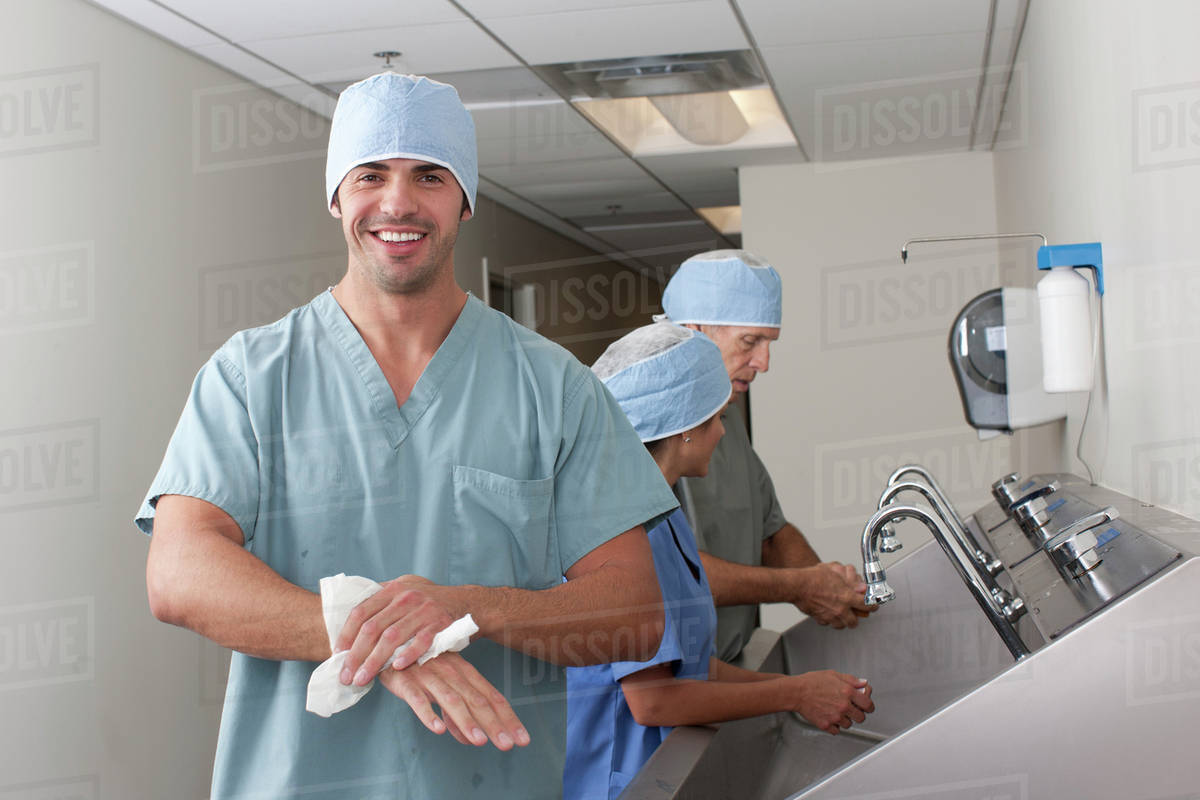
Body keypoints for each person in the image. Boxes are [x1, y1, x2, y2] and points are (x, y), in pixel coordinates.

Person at [138, 73, 678, 800]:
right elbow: (179, 575)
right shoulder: (249, 377)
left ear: (465, 198)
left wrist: (469, 609)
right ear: (337, 196)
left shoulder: (556, 391)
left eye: (429, 174)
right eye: (370, 175)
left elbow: (635, 616)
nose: (397, 202)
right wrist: (383, 643)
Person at [564, 322, 875, 800]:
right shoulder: (620, 528)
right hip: (617, 782)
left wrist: (798, 688)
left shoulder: (664, 516)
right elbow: (652, 700)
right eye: (716, 418)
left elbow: (691, 668)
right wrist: (793, 694)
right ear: (685, 429)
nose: (723, 432)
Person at [657, 250, 876, 661]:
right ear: (694, 330)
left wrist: (826, 586)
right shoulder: (647, 430)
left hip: (723, 671)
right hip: (665, 693)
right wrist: (801, 587)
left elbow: (770, 534)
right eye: (750, 342)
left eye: (768, 343)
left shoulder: (728, 419)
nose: (764, 362)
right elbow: (674, 574)